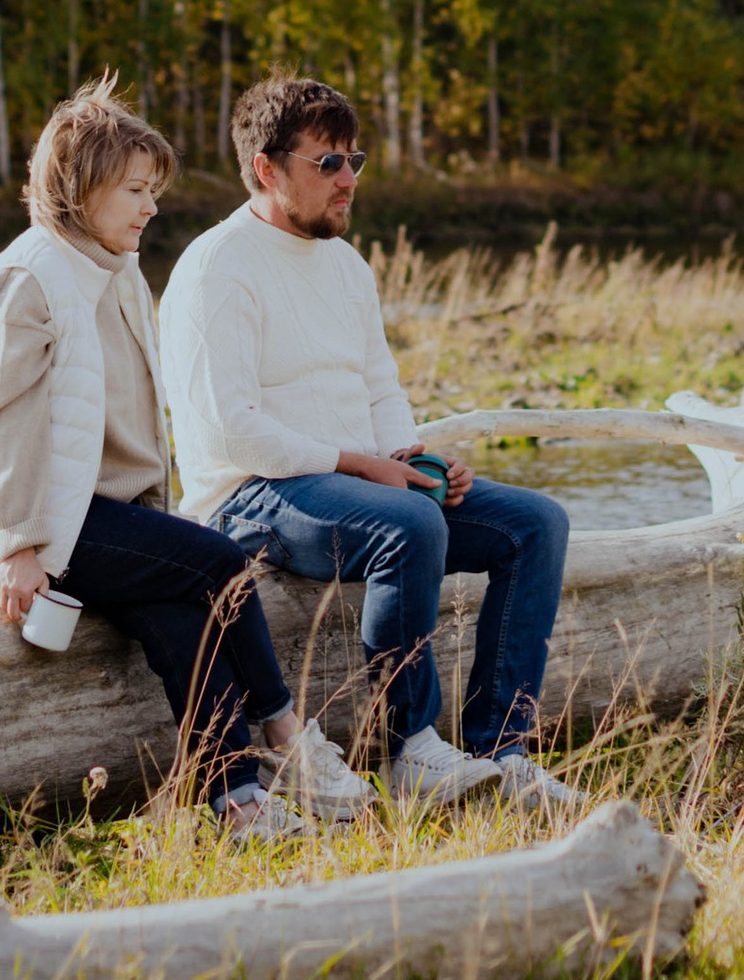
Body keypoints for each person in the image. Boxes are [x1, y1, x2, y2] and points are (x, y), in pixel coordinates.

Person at [0, 73, 373, 841]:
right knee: (220, 565)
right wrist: (18, 544)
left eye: (153, 188)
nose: (152, 207)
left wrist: (149, 524)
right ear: (81, 189)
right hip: (18, 519)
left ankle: (236, 804)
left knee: (177, 609)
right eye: (134, 190)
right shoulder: (28, 279)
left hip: (87, 512)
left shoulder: (113, 271)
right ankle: (289, 740)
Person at [159, 74, 583, 815]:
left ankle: (499, 749)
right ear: (267, 168)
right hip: (251, 495)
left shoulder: (346, 265)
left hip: (355, 484)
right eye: (329, 163)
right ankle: (411, 749)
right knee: (409, 523)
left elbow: (380, 388)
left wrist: (416, 460)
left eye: (356, 159)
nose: (349, 179)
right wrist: (363, 466)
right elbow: (229, 429)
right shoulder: (215, 268)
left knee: (533, 524)